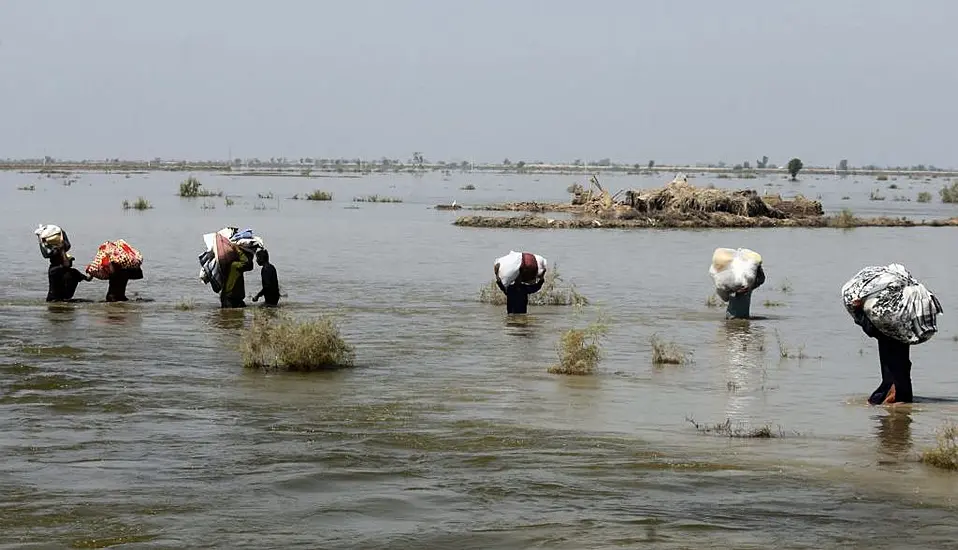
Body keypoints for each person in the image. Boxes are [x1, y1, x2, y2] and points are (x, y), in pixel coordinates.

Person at [852, 299, 912, 405]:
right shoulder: (903, 327)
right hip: (903, 379)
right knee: (902, 403)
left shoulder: (884, 328)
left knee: (876, 404)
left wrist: (858, 311)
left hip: (892, 380)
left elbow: (870, 330)